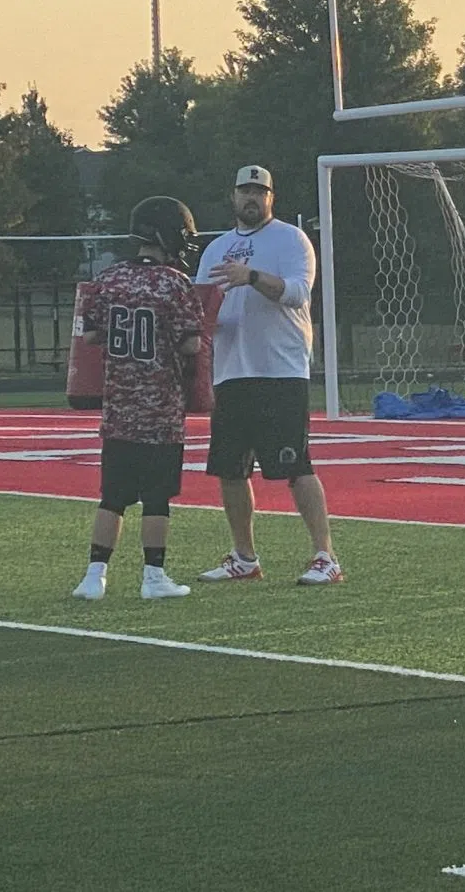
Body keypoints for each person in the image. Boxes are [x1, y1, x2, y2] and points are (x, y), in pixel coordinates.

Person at [192, 165, 340, 586]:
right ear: (233, 196)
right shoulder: (216, 248)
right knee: (230, 469)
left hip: (279, 370)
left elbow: (297, 293)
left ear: (271, 198)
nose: (251, 198)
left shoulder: (290, 240)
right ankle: (244, 556)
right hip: (231, 371)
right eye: (245, 191)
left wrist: (251, 277)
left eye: (260, 191)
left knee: (296, 465)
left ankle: (325, 556)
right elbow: (203, 310)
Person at [73, 198, 206, 601]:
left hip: (118, 410)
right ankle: (153, 576)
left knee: (112, 497)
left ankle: (94, 576)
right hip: (160, 410)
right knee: (156, 498)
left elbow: (91, 335)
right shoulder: (174, 284)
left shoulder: (109, 279)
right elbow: (191, 344)